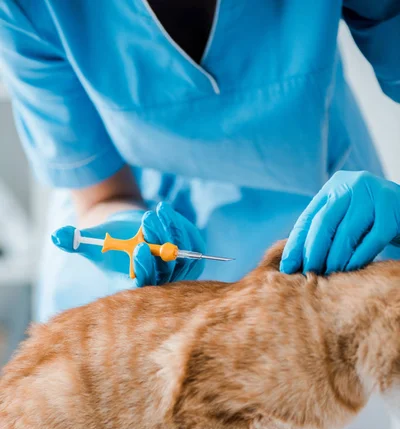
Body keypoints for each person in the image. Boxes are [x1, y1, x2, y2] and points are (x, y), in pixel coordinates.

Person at [0, 1, 399, 323]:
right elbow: (101, 194)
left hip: (334, 222)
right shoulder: (30, 7)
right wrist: (122, 231)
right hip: (137, 242)